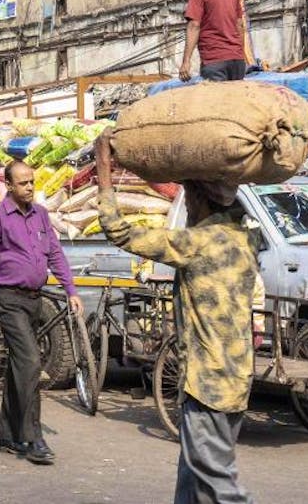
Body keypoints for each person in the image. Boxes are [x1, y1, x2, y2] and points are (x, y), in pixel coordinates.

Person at [93, 136, 258, 504]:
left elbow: (119, 232)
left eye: (190, 196)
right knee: (192, 474)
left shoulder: (197, 243)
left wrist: (104, 171)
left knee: (217, 482)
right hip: (235, 378)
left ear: (202, 199)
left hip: (208, 383)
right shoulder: (247, 240)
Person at [0, 161, 83, 466]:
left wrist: (71, 290)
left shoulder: (41, 215)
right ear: (8, 185)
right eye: (23, 183)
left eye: (32, 181)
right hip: (8, 300)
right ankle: (33, 438)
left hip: (34, 300)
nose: (30, 187)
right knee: (32, 362)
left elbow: (55, 253)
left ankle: (7, 435)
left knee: (20, 365)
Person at [179, 0, 247, 82]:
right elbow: (240, 25)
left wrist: (186, 61)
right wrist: (240, 54)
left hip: (215, 62)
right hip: (237, 63)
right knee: (236, 101)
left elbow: (194, 25)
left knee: (216, 102)